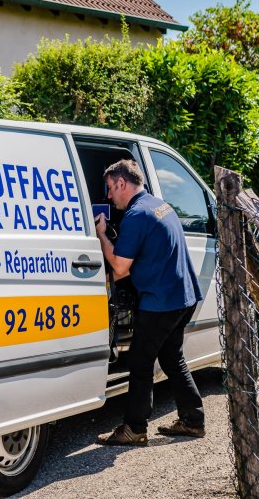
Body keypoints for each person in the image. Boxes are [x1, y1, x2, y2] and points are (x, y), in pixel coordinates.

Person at [94, 159, 205, 446]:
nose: (108, 197)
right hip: (184, 297)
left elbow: (119, 267)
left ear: (121, 183)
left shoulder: (137, 215)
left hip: (161, 303)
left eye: (109, 189)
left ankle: (134, 427)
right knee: (172, 357)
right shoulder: (160, 205)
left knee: (141, 363)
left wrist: (102, 235)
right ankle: (193, 421)